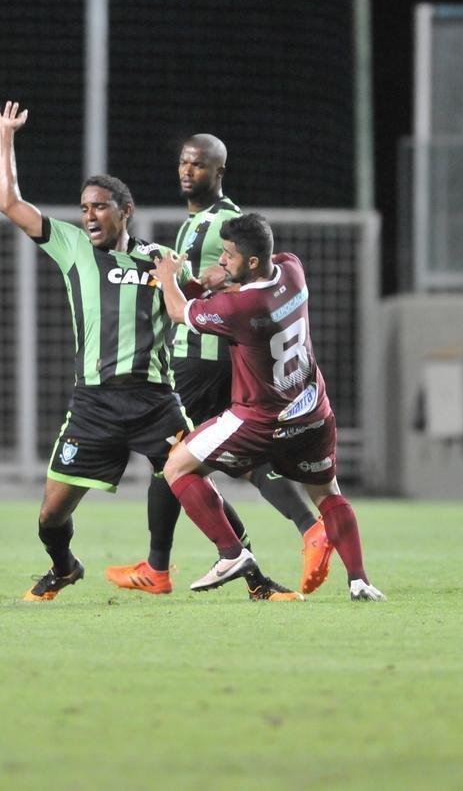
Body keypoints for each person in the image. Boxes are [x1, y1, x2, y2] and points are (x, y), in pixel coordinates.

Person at [0, 101, 299, 602]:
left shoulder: (159, 259)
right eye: (85, 206)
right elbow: (10, 202)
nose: (89, 214)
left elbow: (201, 301)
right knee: (51, 515)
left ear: (125, 211)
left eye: (100, 206)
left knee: (196, 483)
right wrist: (6, 137)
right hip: (92, 404)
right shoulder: (70, 246)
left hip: (156, 400)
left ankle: (256, 581)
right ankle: (64, 565)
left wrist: (214, 280)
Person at [106, 134, 332, 597]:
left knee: (171, 461)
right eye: (184, 163)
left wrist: (188, 285)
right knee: (244, 462)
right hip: (214, 356)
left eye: (200, 166)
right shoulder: (197, 223)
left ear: (219, 173)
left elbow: (249, 282)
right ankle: (300, 538)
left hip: (202, 358)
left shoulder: (227, 221)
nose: (188, 172)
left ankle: (161, 567)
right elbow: (207, 283)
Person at [151, 212, 385, 602]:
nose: (222, 260)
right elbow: (270, 268)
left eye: (228, 255)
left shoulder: (240, 308)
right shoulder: (293, 270)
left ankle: (231, 553)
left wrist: (169, 279)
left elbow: (179, 311)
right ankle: (359, 580)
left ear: (253, 261)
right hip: (312, 412)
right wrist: (224, 277)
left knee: (177, 465)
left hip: (260, 419)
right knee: (328, 494)